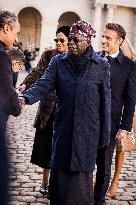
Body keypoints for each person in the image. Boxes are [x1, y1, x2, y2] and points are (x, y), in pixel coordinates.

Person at [19, 20, 111, 205]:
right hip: (64, 127)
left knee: (82, 177)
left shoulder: (101, 65)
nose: (70, 43)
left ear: (87, 41)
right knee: (60, 178)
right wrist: (26, 97)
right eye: (70, 39)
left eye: (76, 40)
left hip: (88, 131)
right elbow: (44, 83)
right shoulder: (58, 62)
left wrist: (104, 136)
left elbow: (105, 102)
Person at [19, 26, 70, 195]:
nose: (58, 43)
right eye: (57, 40)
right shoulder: (48, 55)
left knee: (62, 150)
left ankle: (58, 184)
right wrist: (25, 83)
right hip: (48, 109)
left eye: (62, 40)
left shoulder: (73, 58)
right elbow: (38, 71)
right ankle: (45, 183)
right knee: (47, 149)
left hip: (66, 111)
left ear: (70, 40)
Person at [94, 23, 136, 205]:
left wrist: (125, 127)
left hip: (110, 124)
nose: (103, 40)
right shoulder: (93, 58)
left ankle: (98, 199)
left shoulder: (129, 66)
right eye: (103, 37)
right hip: (87, 120)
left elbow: (130, 99)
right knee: (84, 160)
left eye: (108, 38)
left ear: (120, 41)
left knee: (104, 164)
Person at [106, 37, 136, 198]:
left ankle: (115, 181)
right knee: (106, 149)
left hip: (129, 110)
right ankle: (103, 178)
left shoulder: (130, 64)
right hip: (114, 108)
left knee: (121, 148)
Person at [0, 10, 21, 205]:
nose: (16, 38)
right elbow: (8, 95)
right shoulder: (3, 56)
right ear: (6, 28)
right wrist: (18, 105)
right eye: (16, 32)